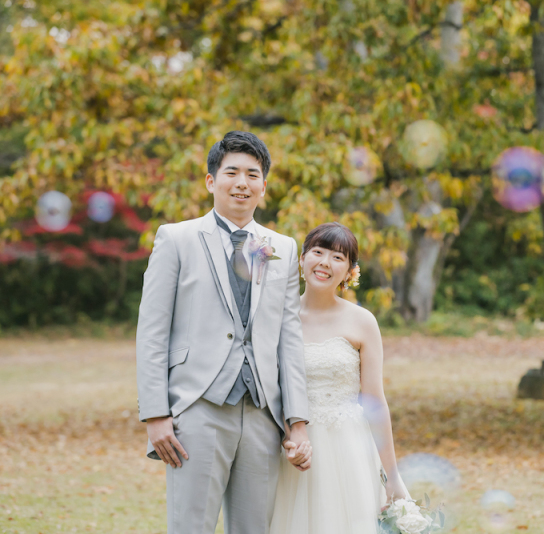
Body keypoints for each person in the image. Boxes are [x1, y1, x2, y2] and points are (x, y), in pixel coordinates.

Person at [136, 130, 312, 534]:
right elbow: (152, 332)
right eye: (231, 172)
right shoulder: (176, 238)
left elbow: (289, 337)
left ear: (263, 187)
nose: (242, 182)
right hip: (197, 408)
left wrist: (297, 419)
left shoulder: (280, 247)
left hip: (264, 413)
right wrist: (157, 414)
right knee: (190, 526)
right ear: (211, 181)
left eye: (253, 174)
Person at [270, 222, 410, 534]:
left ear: (349, 272)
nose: (325, 263)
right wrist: (287, 435)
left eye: (338, 257)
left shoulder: (362, 322)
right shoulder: (276, 316)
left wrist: (393, 474)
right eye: (317, 252)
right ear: (302, 259)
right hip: (291, 448)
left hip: (349, 448)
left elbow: (375, 401)